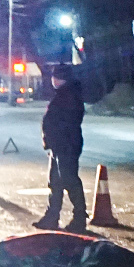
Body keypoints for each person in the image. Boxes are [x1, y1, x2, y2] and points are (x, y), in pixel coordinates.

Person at [36, 70, 87, 232]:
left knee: (69, 180)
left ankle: (79, 218)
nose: (52, 80)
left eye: (55, 77)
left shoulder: (68, 96)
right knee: (55, 182)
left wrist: (55, 138)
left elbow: (64, 122)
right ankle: (52, 216)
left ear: (61, 79)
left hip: (66, 145)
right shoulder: (64, 94)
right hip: (60, 145)